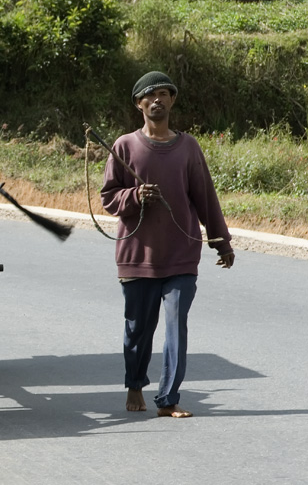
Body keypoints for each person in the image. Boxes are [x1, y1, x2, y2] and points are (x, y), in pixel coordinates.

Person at [100, 71, 235, 418]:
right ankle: (134, 384)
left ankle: (168, 399)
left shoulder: (188, 147)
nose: (157, 99)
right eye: (150, 95)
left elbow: (205, 197)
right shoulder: (124, 146)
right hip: (137, 257)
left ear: (172, 100)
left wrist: (221, 242)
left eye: (164, 93)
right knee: (137, 331)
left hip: (180, 256)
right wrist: (134, 195)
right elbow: (109, 198)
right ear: (138, 104)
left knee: (177, 325)